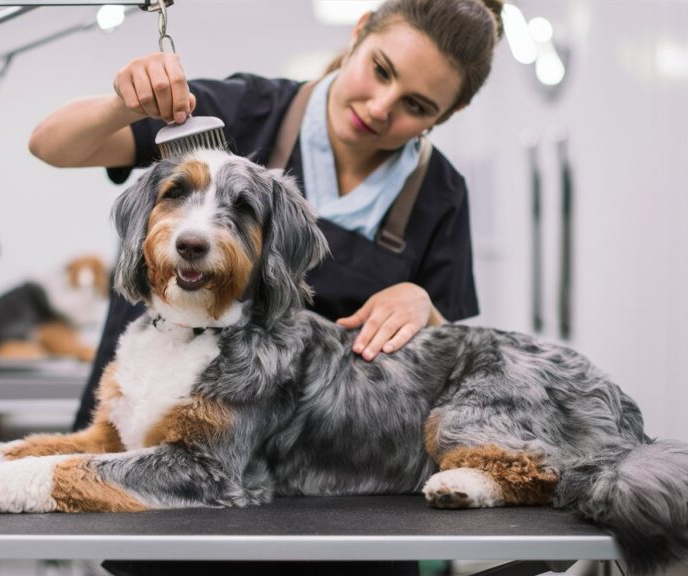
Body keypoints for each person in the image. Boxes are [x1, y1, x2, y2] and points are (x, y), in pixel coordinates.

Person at [30, 0, 502, 573]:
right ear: (359, 35)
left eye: (416, 106)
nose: (381, 108)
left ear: (442, 117)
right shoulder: (240, 114)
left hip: (336, 505)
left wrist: (422, 303)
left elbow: (444, 359)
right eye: (380, 70)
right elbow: (52, 145)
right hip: (166, 463)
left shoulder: (440, 192)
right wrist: (119, 105)